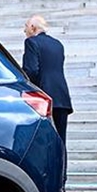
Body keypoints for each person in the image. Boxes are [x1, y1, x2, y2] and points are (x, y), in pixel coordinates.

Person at [22, 15, 73, 144]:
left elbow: (31, 70)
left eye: (26, 26)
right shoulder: (57, 44)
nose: (24, 30)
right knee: (60, 142)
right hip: (61, 97)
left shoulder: (31, 42)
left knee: (44, 142)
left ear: (33, 28)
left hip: (43, 97)